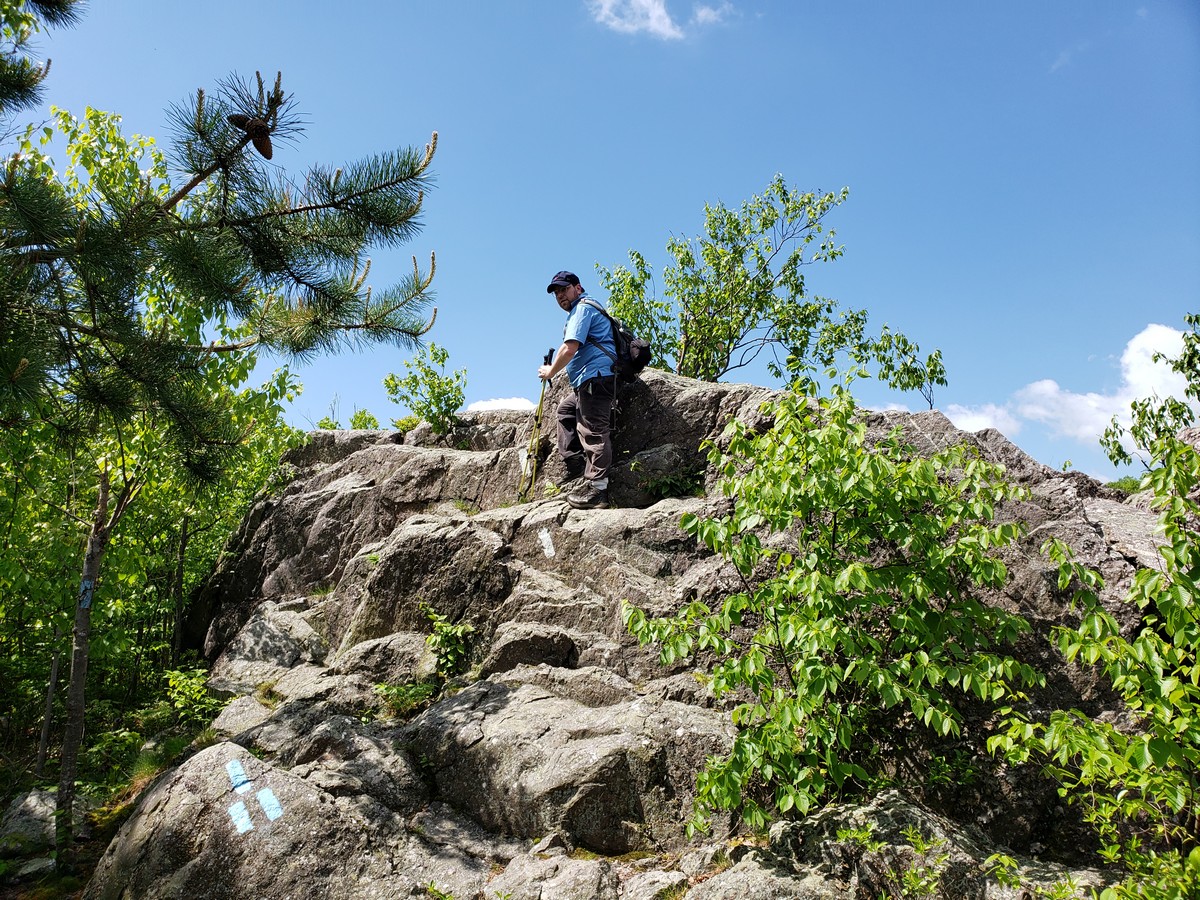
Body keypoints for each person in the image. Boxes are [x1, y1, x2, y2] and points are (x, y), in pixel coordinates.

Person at [538, 270, 616, 509]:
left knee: (593, 429)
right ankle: (577, 467)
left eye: (564, 289)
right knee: (565, 410)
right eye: (557, 293)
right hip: (588, 379)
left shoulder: (583, 308)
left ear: (578, 288)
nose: (561, 295)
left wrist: (550, 371)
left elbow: (570, 348)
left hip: (597, 377)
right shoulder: (579, 310)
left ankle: (598, 490)